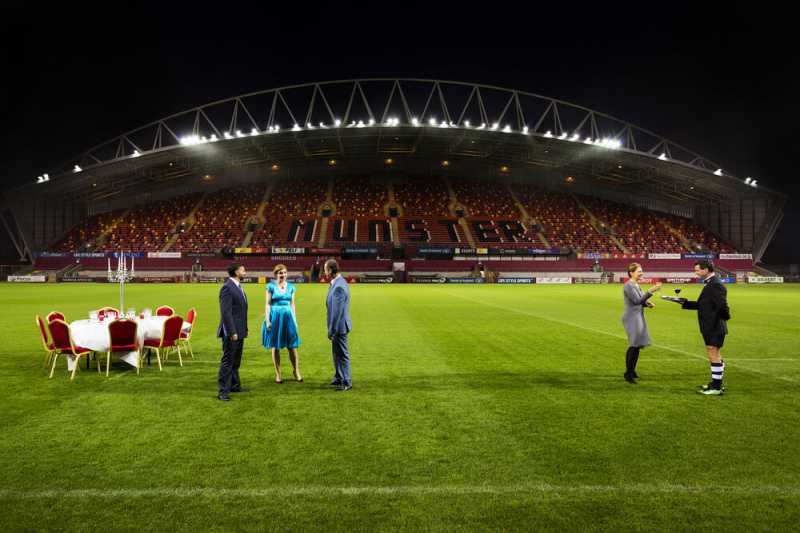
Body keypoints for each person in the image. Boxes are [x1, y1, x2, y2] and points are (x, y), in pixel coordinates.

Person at [681, 259, 731, 396]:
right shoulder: (711, 283)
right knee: (716, 354)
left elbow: (722, 305)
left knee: (713, 354)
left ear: (706, 270)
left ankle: (716, 388)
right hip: (712, 324)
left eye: (697, 270)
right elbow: (703, 304)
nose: (695, 273)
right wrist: (683, 302)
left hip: (714, 325)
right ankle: (717, 384)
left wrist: (724, 317)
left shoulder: (714, 285)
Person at [621, 262, 661, 384]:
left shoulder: (636, 285)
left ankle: (632, 371)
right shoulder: (628, 286)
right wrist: (650, 292)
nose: (641, 273)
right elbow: (637, 301)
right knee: (634, 344)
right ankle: (628, 374)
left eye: (641, 271)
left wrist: (646, 303)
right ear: (632, 273)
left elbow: (639, 301)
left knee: (637, 344)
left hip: (637, 315)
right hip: (632, 317)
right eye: (639, 271)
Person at [261, 264, 302, 383]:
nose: (283, 275)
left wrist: (295, 320)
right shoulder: (270, 286)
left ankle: (296, 371)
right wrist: (268, 321)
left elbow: (292, 304)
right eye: (280, 273)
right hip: (275, 317)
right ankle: (278, 373)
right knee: (275, 346)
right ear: (276, 274)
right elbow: (268, 304)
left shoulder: (291, 287)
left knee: (292, 345)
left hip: (288, 317)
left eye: (284, 273)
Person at [217, 262, 250, 401]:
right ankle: (223, 391)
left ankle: (235, 385)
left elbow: (240, 312)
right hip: (232, 333)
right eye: (243, 270)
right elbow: (226, 313)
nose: (245, 272)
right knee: (228, 361)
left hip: (239, 330)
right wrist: (232, 332)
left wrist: (245, 329)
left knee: (236, 361)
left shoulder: (237, 287)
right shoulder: (227, 288)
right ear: (236, 272)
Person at [324, 259, 352, 391]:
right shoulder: (339, 282)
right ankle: (339, 378)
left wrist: (332, 330)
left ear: (330, 270)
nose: (324, 272)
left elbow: (337, 312)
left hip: (339, 327)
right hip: (338, 326)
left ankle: (346, 382)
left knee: (342, 354)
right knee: (336, 354)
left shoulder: (339, 286)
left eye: (325, 269)